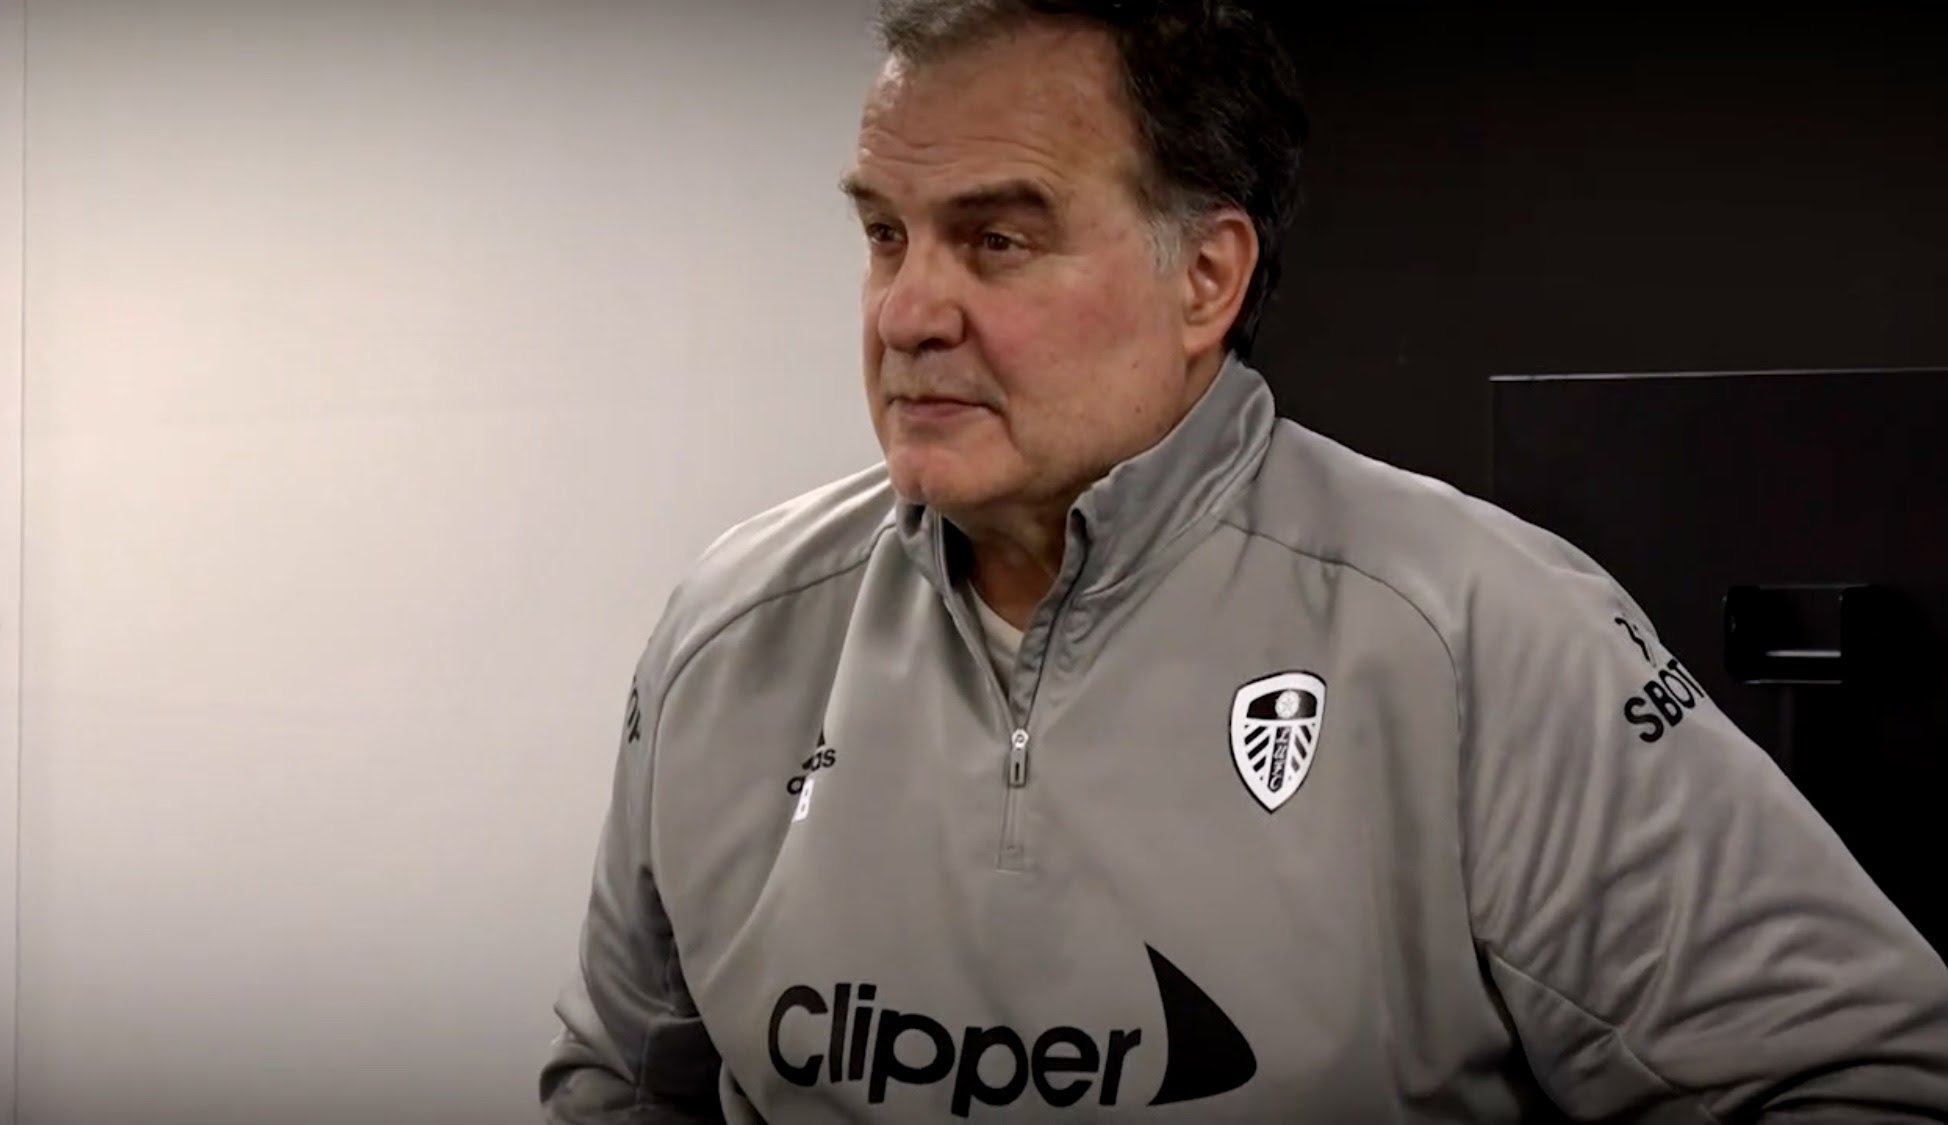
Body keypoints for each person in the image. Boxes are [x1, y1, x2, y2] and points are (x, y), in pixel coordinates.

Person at [540, 1, 1948, 1121]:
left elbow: (1869, 1073)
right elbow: (621, 1082)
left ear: (1205, 278)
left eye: (997, 240)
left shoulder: (1480, 633)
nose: (907, 311)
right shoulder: (730, 629)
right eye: (885, 236)